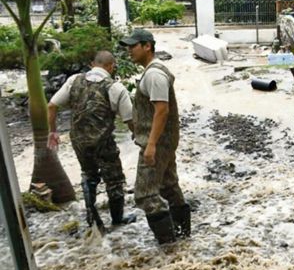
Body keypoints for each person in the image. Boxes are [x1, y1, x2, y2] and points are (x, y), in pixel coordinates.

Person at [47, 51, 136, 230]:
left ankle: (92, 218)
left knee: (89, 174)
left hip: (78, 140)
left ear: (91, 64)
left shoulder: (74, 81)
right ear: (111, 66)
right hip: (103, 143)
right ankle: (117, 220)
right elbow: (129, 119)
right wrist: (137, 135)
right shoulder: (115, 88)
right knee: (114, 180)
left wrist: (53, 132)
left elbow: (52, 105)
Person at [120, 29, 190, 244]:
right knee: (168, 185)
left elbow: (162, 110)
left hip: (157, 143)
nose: (129, 50)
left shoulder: (154, 74)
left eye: (133, 46)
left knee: (146, 194)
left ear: (147, 46)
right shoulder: (152, 72)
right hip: (164, 142)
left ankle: (169, 244)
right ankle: (183, 237)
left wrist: (150, 145)